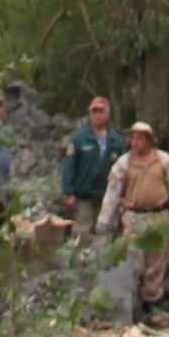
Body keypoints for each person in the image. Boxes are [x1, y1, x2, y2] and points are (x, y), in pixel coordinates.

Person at [95, 122, 169, 311]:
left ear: (148, 140)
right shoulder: (123, 163)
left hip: (159, 216)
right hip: (133, 218)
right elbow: (113, 193)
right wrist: (104, 220)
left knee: (158, 261)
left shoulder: (163, 160)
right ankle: (132, 301)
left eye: (139, 139)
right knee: (133, 260)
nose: (135, 142)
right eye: (133, 138)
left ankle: (152, 300)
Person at [60, 96, 126, 248]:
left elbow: (123, 170)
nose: (97, 115)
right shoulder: (79, 138)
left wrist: (123, 195)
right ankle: (77, 268)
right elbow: (69, 165)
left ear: (108, 114)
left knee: (106, 234)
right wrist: (68, 192)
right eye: (94, 111)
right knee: (81, 234)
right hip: (84, 196)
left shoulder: (116, 140)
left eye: (101, 111)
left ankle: (102, 268)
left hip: (107, 197)